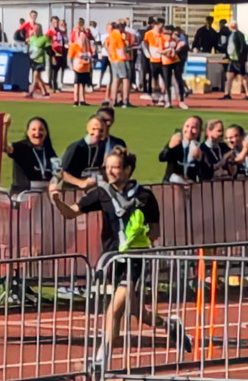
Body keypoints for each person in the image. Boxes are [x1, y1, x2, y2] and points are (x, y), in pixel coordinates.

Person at [89, 148, 187, 359]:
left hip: (134, 259)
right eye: (107, 168)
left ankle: (101, 359)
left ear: (127, 169)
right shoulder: (104, 194)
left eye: (115, 167)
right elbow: (71, 211)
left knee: (114, 310)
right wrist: (57, 197)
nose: (110, 172)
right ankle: (169, 324)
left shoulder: (145, 196)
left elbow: (155, 232)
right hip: (113, 258)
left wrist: (138, 239)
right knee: (139, 313)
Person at [49, 109, 130, 218]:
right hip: (72, 193)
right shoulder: (77, 147)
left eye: (101, 129)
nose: (97, 132)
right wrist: (81, 183)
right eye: (94, 128)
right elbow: (60, 172)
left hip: (98, 192)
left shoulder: (111, 144)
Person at [8, 115, 59, 194]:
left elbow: (58, 171)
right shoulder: (21, 147)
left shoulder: (49, 150)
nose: (37, 133)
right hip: (23, 195)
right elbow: (5, 148)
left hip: (43, 196)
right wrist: (5, 127)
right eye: (33, 129)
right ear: (28, 132)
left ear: (46, 132)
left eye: (41, 129)